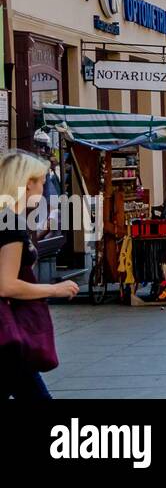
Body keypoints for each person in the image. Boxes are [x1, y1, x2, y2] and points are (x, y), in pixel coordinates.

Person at [0, 150, 79, 399]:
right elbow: (6, 285)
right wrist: (56, 289)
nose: (45, 188)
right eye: (41, 181)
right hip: (7, 333)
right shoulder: (10, 223)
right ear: (26, 183)